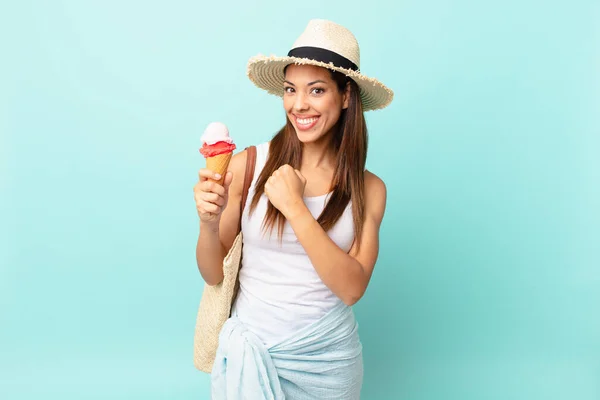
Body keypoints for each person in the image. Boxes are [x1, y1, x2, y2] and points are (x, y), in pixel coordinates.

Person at [193, 19, 393, 399]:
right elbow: (212, 272)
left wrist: (295, 208)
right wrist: (208, 223)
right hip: (250, 357)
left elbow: (352, 289)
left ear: (346, 95)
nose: (299, 105)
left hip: (327, 364)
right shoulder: (248, 165)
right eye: (290, 90)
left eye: (316, 90)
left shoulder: (369, 189)